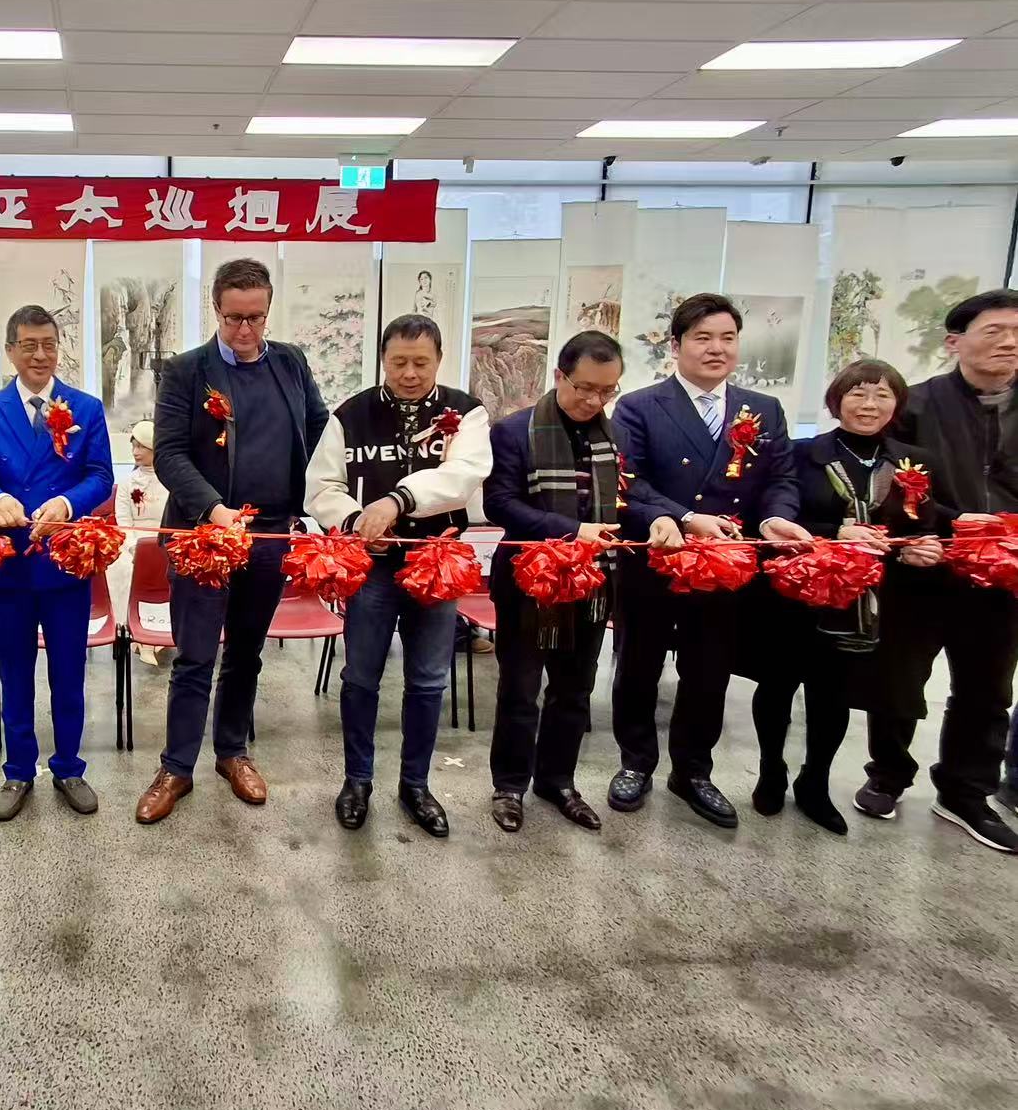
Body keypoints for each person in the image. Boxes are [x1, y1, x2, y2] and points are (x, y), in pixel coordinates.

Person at [135, 258, 328, 825]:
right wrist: (215, 509)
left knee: (246, 653)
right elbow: (170, 453)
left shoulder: (290, 362)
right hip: (206, 534)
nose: (245, 330)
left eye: (255, 318)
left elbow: (320, 433)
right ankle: (176, 767)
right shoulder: (187, 370)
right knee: (195, 655)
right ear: (215, 310)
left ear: (268, 311)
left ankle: (232, 752)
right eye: (233, 318)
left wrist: (334, 501)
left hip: (270, 533)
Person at [610, 293, 810, 829]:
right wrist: (683, 516)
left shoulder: (763, 409)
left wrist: (774, 520)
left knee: (709, 671)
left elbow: (781, 479)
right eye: (702, 338)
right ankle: (636, 763)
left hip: (726, 563)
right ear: (675, 346)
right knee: (639, 665)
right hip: (657, 555)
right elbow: (628, 482)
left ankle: (693, 771)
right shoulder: (639, 406)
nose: (716, 348)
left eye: (727, 338)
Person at [736, 359, 953, 836]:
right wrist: (835, 531)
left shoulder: (916, 462)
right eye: (858, 393)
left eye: (881, 395)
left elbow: (923, 524)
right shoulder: (801, 454)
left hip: (863, 602)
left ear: (897, 405)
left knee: (833, 695)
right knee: (777, 687)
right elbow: (769, 517)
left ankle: (815, 781)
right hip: (797, 593)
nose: (869, 405)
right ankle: (771, 772)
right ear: (836, 401)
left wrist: (920, 548)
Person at [306, 314, 491, 837]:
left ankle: (416, 785)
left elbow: (463, 477)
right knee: (360, 678)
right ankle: (357, 781)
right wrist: (355, 521)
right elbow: (322, 486)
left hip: (437, 564)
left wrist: (397, 500)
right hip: (373, 569)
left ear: (439, 360)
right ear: (383, 360)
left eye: (421, 363)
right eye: (398, 362)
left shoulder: (467, 412)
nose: (410, 374)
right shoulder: (351, 413)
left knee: (428, 680)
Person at [871, 289, 1018, 853]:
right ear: (955, 342)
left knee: (988, 686)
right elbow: (891, 487)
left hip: (1005, 574)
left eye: (1017, 332)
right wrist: (949, 523)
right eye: (994, 331)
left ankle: (966, 791)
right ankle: (887, 774)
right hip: (926, 565)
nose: (1008, 343)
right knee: (900, 680)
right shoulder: (916, 405)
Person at [0, 305, 113, 822]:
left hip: (65, 562)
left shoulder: (85, 408)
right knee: (14, 672)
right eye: (28, 345)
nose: (40, 354)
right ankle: (18, 771)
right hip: (10, 565)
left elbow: (101, 475)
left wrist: (69, 503)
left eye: (48, 344)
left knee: (68, 672)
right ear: (10, 350)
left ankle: (69, 767)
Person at [484, 331, 625, 835]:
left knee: (575, 689)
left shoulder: (615, 436)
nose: (594, 401)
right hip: (531, 580)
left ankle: (558, 780)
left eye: (607, 391)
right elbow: (500, 504)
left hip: (593, 580)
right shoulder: (514, 431)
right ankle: (509, 785)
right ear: (560, 375)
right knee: (521, 689)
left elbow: (630, 498)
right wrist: (571, 530)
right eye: (584, 388)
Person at [115, 419, 170, 665]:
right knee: (121, 567)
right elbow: (123, 521)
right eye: (133, 446)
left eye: (141, 446)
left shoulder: (172, 480)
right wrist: (132, 546)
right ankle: (133, 632)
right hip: (134, 541)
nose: (136, 452)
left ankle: (160, 633)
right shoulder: (127, 483)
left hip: (165, 541)